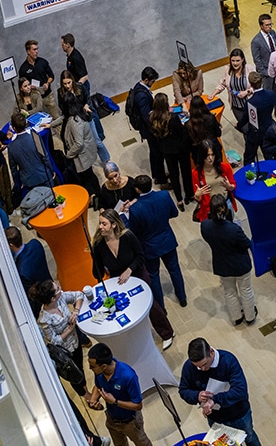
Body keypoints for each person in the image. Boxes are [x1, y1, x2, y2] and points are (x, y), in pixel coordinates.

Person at [91, 209, 175, 349]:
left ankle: (167, 333)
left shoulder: (128, 236)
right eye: (100, 223)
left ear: (113, 225)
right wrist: (94, 257)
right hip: (118, 281)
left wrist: (129, 270)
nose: (100, 227)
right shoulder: (99, 245)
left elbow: (140, 256)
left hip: (137, 273)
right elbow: (97, 272)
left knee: (150, 304)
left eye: (104, 224)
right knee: (126, 308)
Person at [179, 338, 263, 446]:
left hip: (238, 415)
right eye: (198, 367)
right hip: (214, 418)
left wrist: (214, 400)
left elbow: (240, 390)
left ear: (211, 352)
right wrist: (196, 396)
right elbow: (183, 390)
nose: (202, 369)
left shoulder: (228, 361)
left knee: (250, 438)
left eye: (204, 364)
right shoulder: (189, 367)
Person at [128, 175, 186, 309]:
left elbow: (134, 231)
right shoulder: (164, 195)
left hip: (149, 246)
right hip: (167, 240)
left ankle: (161, 307)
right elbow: (174, 213)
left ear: (137, 189)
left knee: (153, 276)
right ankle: (182, 298)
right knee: (175, 269)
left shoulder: (135, 208)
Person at [201, 194, 257, 325]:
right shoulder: (234, 229)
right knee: (246, 290)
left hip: (222, 264)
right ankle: (250, 317)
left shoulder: (205, 226)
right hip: (240, 264)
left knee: (229, 292)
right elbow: (247, 244)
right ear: (226, 209)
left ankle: (236, 317)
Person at [29, 279, 90, 400]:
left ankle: (84, 387)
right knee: (74, 374)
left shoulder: (61, 298)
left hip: (75, 342)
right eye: (57, 289)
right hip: (65, 351)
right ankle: (85, 395)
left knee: (80, 368)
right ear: (52, 298)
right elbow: (54, 341)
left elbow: (79, 295)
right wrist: (70, 329)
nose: (60, 290)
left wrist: (76, 312)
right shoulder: (44, 320)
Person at [86, 343, 153, 446]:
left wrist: (115, 402)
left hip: (130, 422)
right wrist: (93, 400)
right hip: (112, 420)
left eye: (92, 366)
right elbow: (98, 386)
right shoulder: (99, 373)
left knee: (142, 443)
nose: (90, 368)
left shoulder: (128, 376)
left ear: (103, 366)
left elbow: (138, 405)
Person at [149, 93, 193, 209]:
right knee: (185, 172)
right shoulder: (172, 118)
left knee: (174, 175)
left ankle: (179, 199)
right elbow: (181, 133)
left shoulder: (152, 119)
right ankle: (189, 194)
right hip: (180, 149)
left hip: (166, 151)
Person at [58, 70, 109, 164]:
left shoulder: (80, 87)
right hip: (76, 122)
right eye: (64, 84)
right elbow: (62, 108)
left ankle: (106, 160)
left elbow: (87, 98)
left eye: (69, 82)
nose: (67, 86)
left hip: (86, 117)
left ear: (72, 80)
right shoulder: (60, 93)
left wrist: (86, 105)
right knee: (82, 144)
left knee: (97, 141)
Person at [130, 66, 167, 186]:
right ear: (146, 80)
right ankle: (161, 180)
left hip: (147, 128)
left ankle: (156, 174)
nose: (153, 83)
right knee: (158, 154)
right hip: (149, 130)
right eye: (152, 81)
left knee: (153, 152)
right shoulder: (142, 96)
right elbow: (147, 116)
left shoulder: (138, 87)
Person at [5, 226, 53, 316]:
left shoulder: (22, 272)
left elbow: (30, 296)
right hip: (49, 282)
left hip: (42, 299)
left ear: (11, 245)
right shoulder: (35, 244)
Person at [209, 48, 255, 133]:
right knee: (245, 129)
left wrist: (247, 92)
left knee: (254, 127)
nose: (235, 63)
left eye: (237, 61)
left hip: (250, 105)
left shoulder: (249, 68)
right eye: (233, 61)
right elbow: (222, 84)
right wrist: (213, 94)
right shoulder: (227, 69)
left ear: (242, 59)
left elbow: (257, 85)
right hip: (236, 106)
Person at [7, 113, 55, 192]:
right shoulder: (35, 137)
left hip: (28, 182)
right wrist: (52, 171)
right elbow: (45, 157)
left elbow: (13, 170)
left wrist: (18, 183)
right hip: (44, 176)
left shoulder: (11, 147)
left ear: (14, 128)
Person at [192, 139, 237, 223]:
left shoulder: (225, 167)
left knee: (229, 226)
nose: (210, 158)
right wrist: (197, 196)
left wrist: (229, 187)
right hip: (210, 208)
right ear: (202, 156)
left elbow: (233, 185)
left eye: (212, 155)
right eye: (207, 155)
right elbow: (198, 196)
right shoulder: (196, 173)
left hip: (226, 203)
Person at [63, 101, 101, 198]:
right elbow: (62, 118)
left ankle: (95, 196)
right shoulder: (80, 113)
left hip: (83, 155)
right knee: (90, 175)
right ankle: (96, 194)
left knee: (87, 178)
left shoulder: (74, 122)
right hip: (88, 151)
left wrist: (69, 154)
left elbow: (79, 143)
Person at [243, 73, 276, 165]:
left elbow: (245, 118)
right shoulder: (271, 94)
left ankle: (250, 172)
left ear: (250, 84)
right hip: (269, 127)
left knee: (249, 157)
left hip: (255, 132)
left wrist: (238, 125)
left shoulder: (250, 102)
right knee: (269, 154)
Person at [18, 39, 57, 118]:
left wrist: (47, 83)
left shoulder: (43, 62)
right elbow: (22, 85)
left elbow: (51, 76)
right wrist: (29, 87)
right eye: (34, 49)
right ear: (28, 51)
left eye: (37, 49)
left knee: (56, 116)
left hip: (48, 95)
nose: (36, 51)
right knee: (37, 119)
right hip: (34, 98)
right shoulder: (23, 69)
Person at [186, 94, 223, 159]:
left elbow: (188, 143)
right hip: (214, 149)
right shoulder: (211, 118)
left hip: (198, 153)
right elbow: (218, 133)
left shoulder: (188, 124)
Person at [250, 13, 276, 93]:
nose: (270, 27)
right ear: (261, 26)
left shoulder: (273, 33)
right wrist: (265, 73)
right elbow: (257, 59)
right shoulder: (256, 41)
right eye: (267, 25)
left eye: (270, 24)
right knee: (268, 92)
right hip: (266, 72)